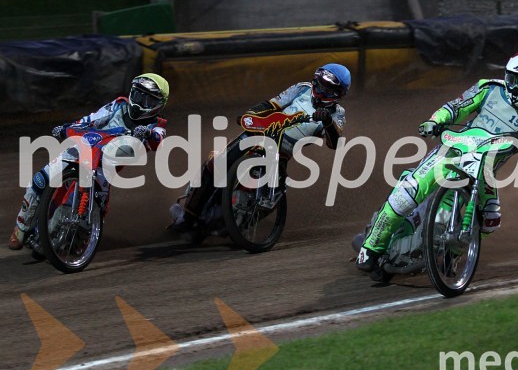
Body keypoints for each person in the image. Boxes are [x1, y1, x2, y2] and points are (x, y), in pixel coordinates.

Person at [355, 51, 518, 273]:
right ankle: (371, 248)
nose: (516, 88)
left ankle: (452, 255)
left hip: (485, 172)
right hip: (452, 152)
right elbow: (456, 107)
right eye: (513, 79)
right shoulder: (489, 88)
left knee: (491, 219)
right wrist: (435, 121)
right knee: (406, 194)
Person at [170, 64, 351, 235]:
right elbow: (272, 105)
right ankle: (187, 216)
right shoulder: (302, 88)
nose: (319, 91)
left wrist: (327, 122)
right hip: (259, 134)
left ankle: (240, 222)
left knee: (277, 192)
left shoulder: (338, 113)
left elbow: (334, 143)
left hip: (282, 154)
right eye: (318, 84)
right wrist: (251, 113)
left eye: (326, 89)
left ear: (338, 94)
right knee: (216, 163)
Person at [8, 74, 170, 251]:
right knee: (40, 180)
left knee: (92, 204)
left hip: (104, 166)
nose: (140, 104)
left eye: (148, 101)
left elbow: (159, 138)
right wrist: (68, 127)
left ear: (159, 105)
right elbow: (92, 118)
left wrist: (147, 134)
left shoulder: (157, 124)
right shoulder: (119, 105)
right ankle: (21, 227)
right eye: (138, 96)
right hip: (86, 145)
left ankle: (78, 234)